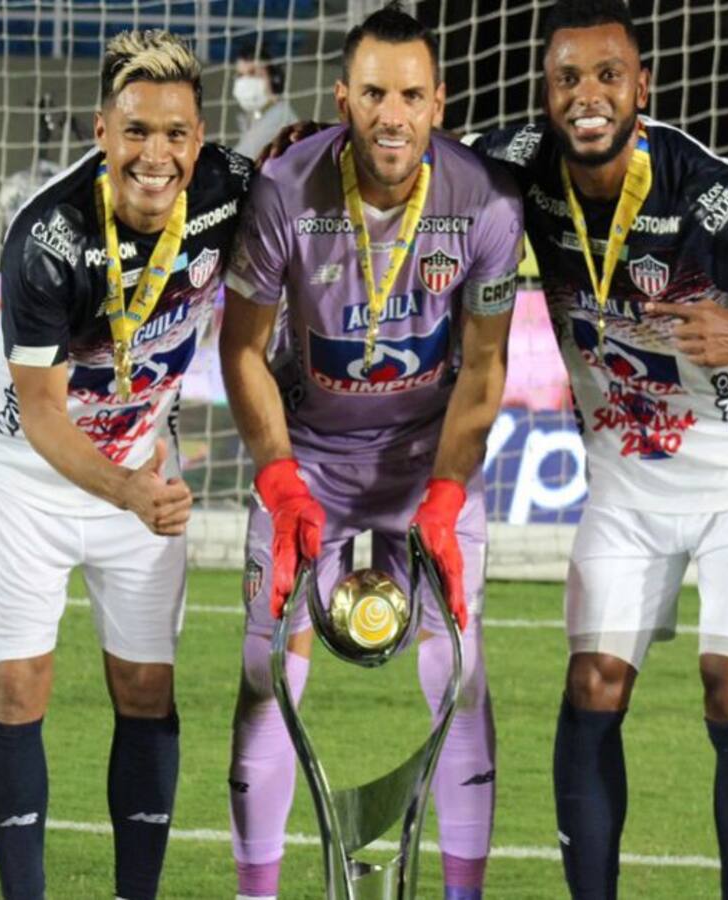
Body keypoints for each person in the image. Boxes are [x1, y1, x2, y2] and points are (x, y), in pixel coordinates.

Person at [469, 1, 728, 897]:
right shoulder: (516, 164)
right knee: (595, 681)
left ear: (642, 87)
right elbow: (410, 152)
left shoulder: (709, 193)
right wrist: (318, 148)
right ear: (547, 92)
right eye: (568, 79)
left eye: (608, 77)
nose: (587, 96)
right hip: (628, 484)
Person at [219, 5, 523, 900]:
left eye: (412, 95)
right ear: (344, 97)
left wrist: (447, 494)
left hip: (424, 465)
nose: (393, 115)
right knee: (265, 671)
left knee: (462, 672)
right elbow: (241, 349)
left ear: (439, 102)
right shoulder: (284, 190)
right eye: (376, 94)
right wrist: (279, 483)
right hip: (307, 458)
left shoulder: (486, 203)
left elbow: (486, 361)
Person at [0, 28, 251, 900]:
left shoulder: (232, 191)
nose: (155, 155)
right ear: (102, 132)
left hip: (140, 466)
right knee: (19, 684)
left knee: (144, 686)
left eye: (174, 134)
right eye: (136, 131)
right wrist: (130, 489)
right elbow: (47, 414)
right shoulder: (48, 238)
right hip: (28, 472)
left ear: (198, 139)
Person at [231, 44, 299, 160]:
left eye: (252, 73)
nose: (245, 81)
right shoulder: (258, 117)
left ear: (274, 79)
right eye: (240, 75)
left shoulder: (279, 119)